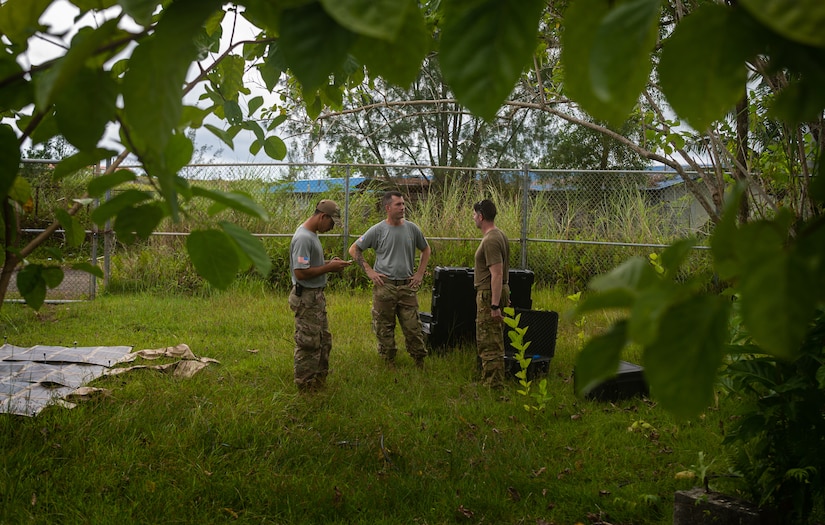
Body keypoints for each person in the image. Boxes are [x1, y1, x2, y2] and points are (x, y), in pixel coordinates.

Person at [349, 191, 431, 368]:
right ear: (388, 208)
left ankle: (419, 360)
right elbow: (354, 249)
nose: (403, 207)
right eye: (398, 205)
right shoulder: (378, 230)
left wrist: (419, 274)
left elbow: (426, 250)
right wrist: (370, 271)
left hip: (406, 286)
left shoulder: (412, 228)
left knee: (413, 327)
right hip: (385, 287)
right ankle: (388, 362)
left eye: (403, 204)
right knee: (384, 327)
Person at [289, 199, 351, 392]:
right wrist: (329, 268)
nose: (332, 228)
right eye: (332, 223)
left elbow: (308, 263)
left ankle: (318, 382)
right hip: (307, 298)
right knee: (309, 343)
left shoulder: (311, 235)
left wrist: (328, 263)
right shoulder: (304, 238)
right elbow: (300, 272)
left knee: (323, 341)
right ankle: (305, 386)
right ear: (323, 216)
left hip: (315, 298)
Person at [472, 199, 510, 388]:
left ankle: (493, 385)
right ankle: (490, 380)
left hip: (489, 294)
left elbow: (497, 273)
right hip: (494, 292)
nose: (473, 218)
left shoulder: (492, 239)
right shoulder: (499, 235)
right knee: (493, 337)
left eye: (474, 215)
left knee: (489, 341)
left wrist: (495, 306)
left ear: (481, 216)